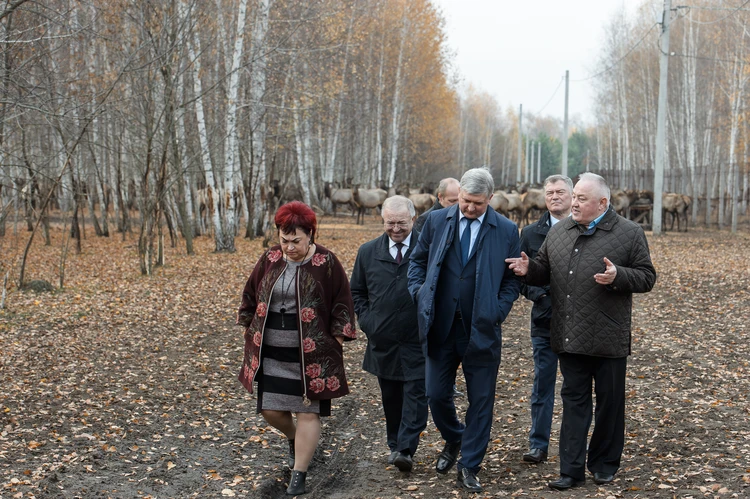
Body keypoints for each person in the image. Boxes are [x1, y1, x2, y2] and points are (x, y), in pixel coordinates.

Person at [505, 173, 656, 491]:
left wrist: (619, 275)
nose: (573, 202)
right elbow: (544, 268)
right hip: (569, 335)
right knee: (574, 403)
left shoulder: (629, 233)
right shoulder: (559, 233)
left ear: (602, 203)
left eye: (581, 198)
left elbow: (646, 277)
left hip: (609, 337)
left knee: (609, 405)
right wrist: (528, 269)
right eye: (573, 196)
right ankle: (570, 470)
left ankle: (603, 464)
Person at [408, 167, 520, 493]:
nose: (469, 208)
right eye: (465, 201)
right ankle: (455, 437)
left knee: (481, 401)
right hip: (439, 327)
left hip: (482, 330)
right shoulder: (435, 221)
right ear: (457, 196)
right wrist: (420, 292)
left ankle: (470, 464)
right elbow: (417, 261)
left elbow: (512, 279)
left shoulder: (507, 230)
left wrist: (499, 309)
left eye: (477, 203)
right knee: (435, 394)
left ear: (491, 199)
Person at [236, 201, 357, 496]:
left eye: (296, 241)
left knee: (307, 412)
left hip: (312, 355)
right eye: (284, 239)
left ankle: (299, 474)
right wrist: (249, 327)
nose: (289, 247)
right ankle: (296, 439)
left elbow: (343, 304)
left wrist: (337, 341)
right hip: (272, 353)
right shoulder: (270, 258)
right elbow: (251, 293)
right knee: (270, 410)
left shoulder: (326, 262)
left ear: (311, 235)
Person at [350, 195, 428, 473]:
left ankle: (406, 448)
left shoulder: (428, 248)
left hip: (419, 339)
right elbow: (357, 292)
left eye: (402, 223)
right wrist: (369, 322)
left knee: (417, 395)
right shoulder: (368, 252)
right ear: (382, 221)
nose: (396, 229)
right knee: (391, 397)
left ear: (414, 219)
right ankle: (395, 444)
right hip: (383, 340)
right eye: (390, 223)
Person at [519, 175, 573, 465]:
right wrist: (540, 296)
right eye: (549, 192)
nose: (554, 196)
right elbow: (520, 277)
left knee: (575, 388)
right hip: (545, 322)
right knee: (543, 385)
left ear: (572, 195)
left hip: (580, 324)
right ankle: (538, 444)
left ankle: (572, 448)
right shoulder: (530, 234)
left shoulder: (586, 229)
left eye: (560, 192)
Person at [414, 177, 464, 399]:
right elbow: (418, 258)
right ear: (440, 198)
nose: (457, 205)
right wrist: (420, 290)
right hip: (431, 293)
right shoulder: (427, 221)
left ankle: (446, 384)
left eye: (458, 200)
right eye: (452, 200)